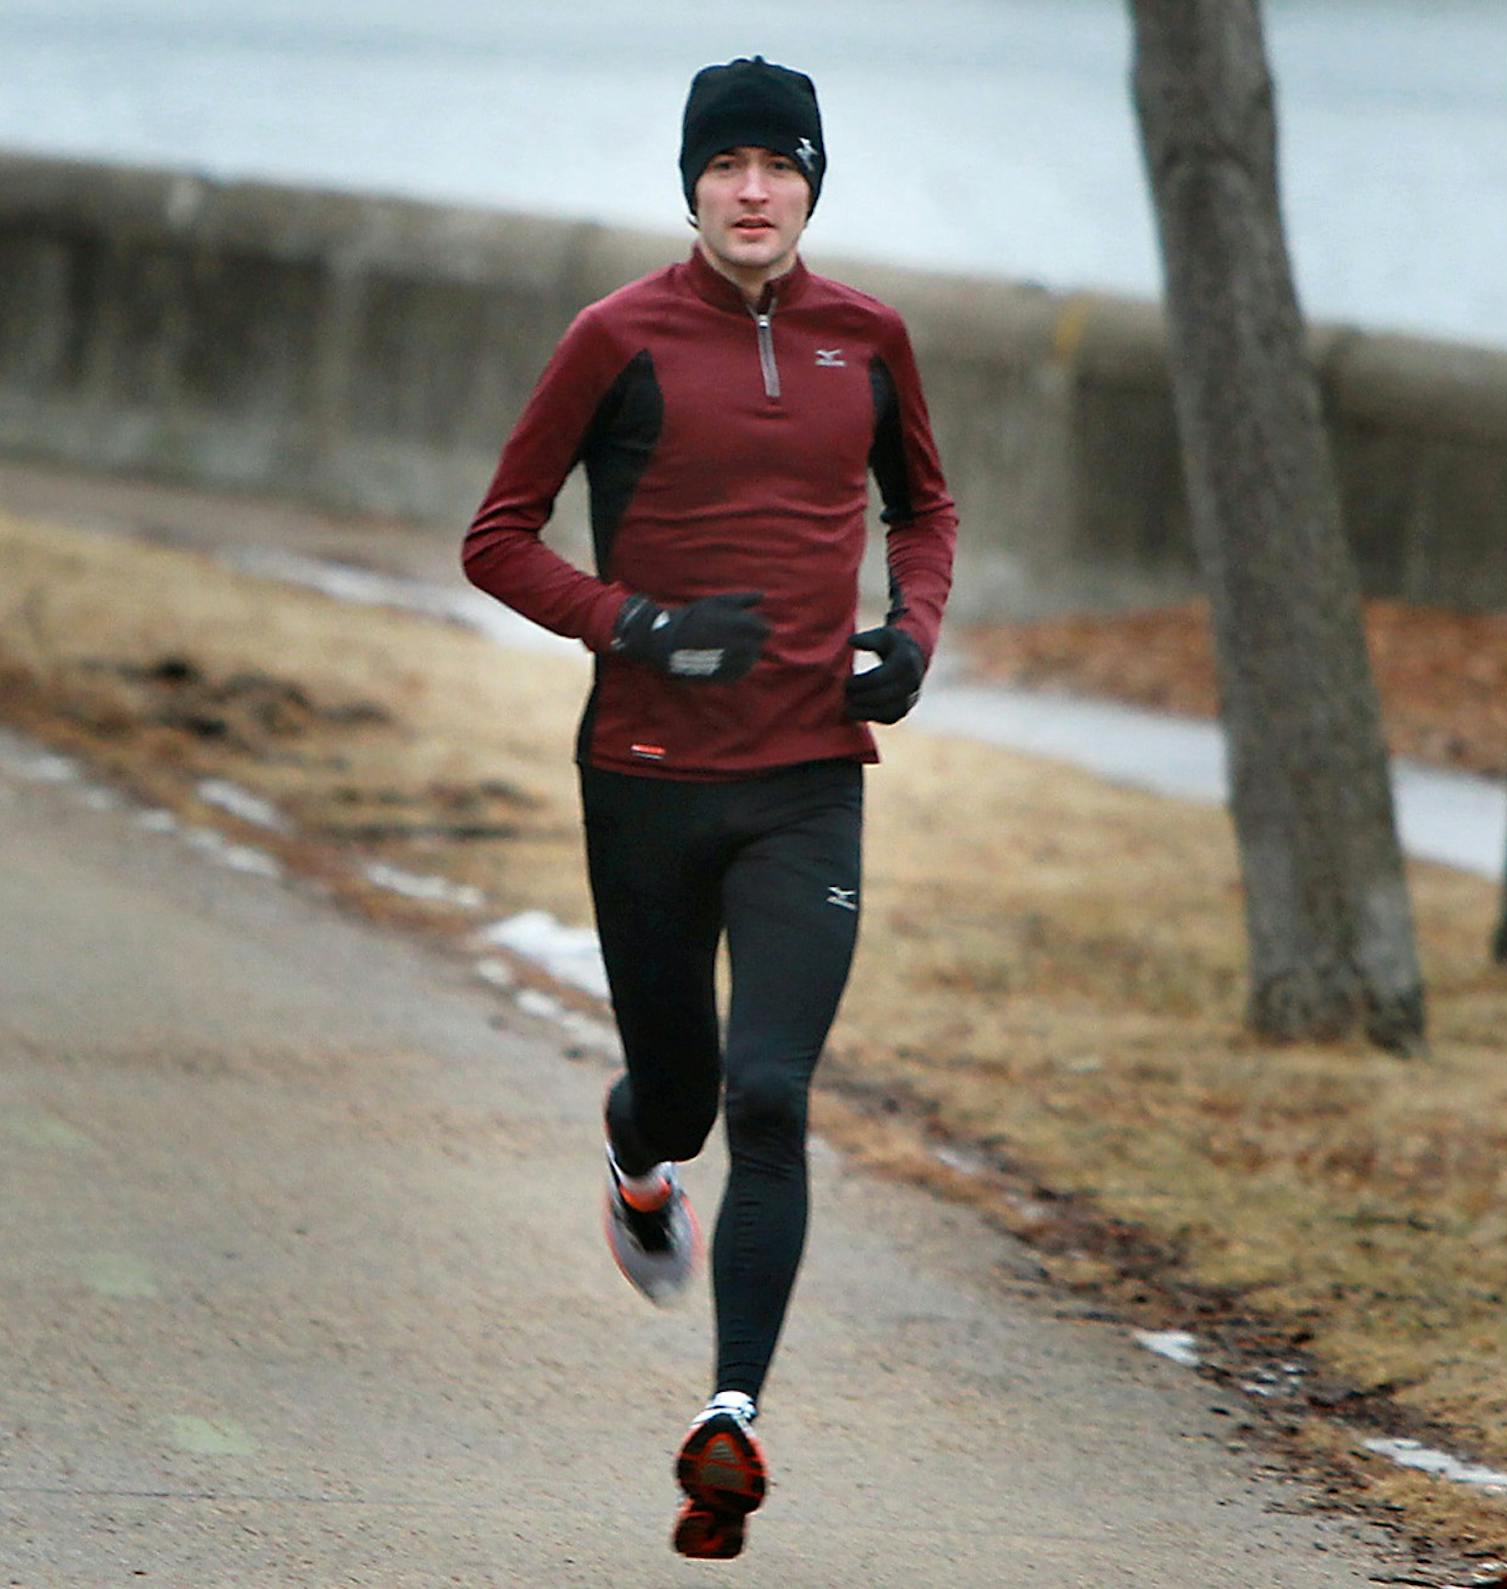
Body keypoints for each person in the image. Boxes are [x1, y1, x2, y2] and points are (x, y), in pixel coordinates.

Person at [461, 54, 956, 1561]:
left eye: (780, 166)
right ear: (691, 185)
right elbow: (496, 538)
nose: (755, 190)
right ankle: (634, 1159)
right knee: (678, 1095)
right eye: (727, 166)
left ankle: (731, 1415)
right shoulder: (617, 338)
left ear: (812, 183)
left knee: (773, 1094)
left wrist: (913, 636)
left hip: (808, 782)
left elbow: (922, 508)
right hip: (648, 785)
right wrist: (635, 625)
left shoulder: (869, 341)